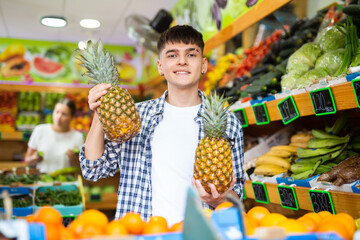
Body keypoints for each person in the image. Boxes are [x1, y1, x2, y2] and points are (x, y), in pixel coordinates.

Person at [80, 25, 245, 226]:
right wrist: (100, 111)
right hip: (141, 232)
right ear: (160, 66)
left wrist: (220, 199)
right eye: (172, 55)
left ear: (203, 65)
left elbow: (237, 195)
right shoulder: (135, 115)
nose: (182, 61)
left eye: (191, 55)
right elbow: (94, 170)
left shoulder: (229, 123)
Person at [25, 98, 84, 173]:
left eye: (64, 114)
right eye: (57, 112)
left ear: (71, 117)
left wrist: (74, 160)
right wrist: (34, 158)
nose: (59, 117)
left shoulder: (78, 137)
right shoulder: (40, 130)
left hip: (67, 182)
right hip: (43, 180)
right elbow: (27, 160)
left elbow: (82, 168)